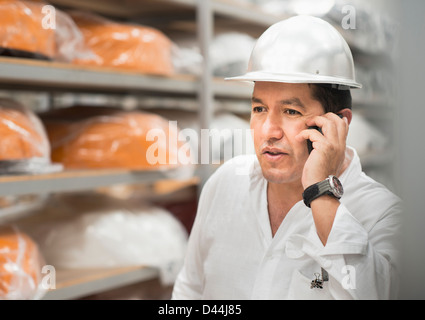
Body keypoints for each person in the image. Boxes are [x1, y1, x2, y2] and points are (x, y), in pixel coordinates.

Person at [171, 15, 402, 300]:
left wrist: (322, 191)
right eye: (259, 109)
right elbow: (191, 288)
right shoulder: (226, 183)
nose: (268, 131)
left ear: (339, 123)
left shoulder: (382, 215)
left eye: (290, 112)